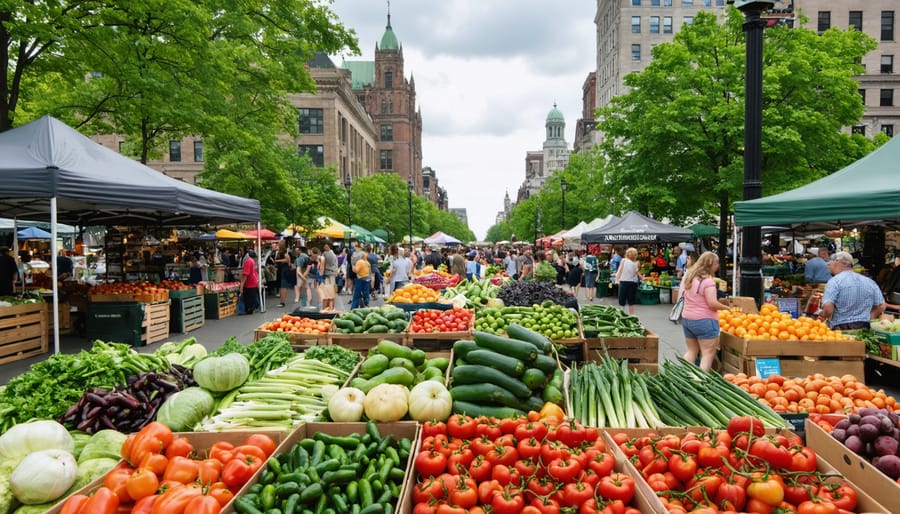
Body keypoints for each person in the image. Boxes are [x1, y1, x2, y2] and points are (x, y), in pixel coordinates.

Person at [680, 251, 731, 372]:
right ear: (710, 263)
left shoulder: (691, 277)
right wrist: (728, 309)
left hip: (687, 319)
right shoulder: (708, 281)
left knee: (692, 351)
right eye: (716, 263)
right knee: (707, 353)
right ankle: (701, 380)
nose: (718, 266)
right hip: (704, 321)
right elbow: (712, 303)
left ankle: (683, 375)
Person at [820, 251, 886, 330]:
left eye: (831, 261)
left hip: (840, 329)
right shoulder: (870, 282)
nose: (828, 264)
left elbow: (828, 308)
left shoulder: (835, 281)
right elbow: (881, 306)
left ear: (838, 261)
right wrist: (868, 318)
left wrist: (822, 316)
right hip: (864, 329)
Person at [615, 247, 642, 315]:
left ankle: (621, 314)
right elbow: (637, 273)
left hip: (624, 282)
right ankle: (631, 315)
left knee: (622, 299)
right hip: (633, 283)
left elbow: (619, 270)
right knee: (631, 300)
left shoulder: (624, 260)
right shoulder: (636, 263)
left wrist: (617, 279)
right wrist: (642, 277)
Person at [239, 250, 260, 315]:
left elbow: (245, 275)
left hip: (249, 284)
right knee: (253, 298)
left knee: (248, 300)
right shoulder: (253, 262)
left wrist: (241, 286)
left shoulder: (248, 261)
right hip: (254, 282)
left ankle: (249, 309)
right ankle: (252, 308)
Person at [319, 243, 338, 312]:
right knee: (332, 291)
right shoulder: (334, 254)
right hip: (333, 274)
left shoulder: (326, 254)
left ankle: (327, 308)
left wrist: (321, 274)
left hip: (328, 274)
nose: (325, 248)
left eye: (326, 246)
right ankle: (332, 307)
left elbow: (322, 264)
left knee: (327, 292)